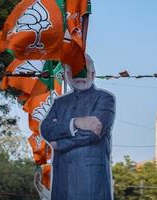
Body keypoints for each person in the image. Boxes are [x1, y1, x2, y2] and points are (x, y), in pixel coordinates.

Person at [40, 54, 115, 200]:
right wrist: (75, 123)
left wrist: (60, 144)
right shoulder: (59, 103)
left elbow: (92, 134)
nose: (80, 76)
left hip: (91, 181)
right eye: (75, 71)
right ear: (67, 74)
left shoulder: (105, 99)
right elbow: (46, 129)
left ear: (93, 73)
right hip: (62, 181)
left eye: (84, 71)